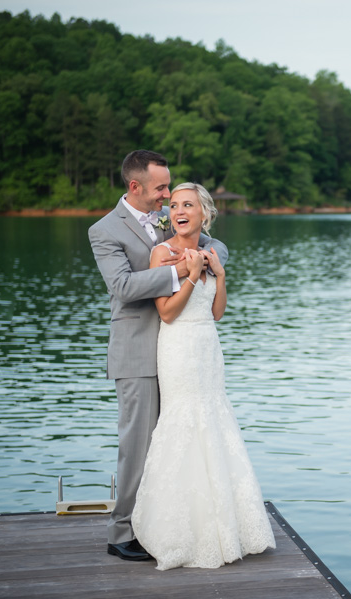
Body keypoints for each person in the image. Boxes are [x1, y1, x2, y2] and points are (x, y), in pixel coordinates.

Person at [88, 150, 228, 561]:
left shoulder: (169, 217)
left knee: (177, 442)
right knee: (138, 445)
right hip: (137, 352)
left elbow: (212, 240)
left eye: (170, 188)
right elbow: (125, 288)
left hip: (181, 352)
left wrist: (209, 259)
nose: (169, 196)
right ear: (136, 187)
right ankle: (121, 534)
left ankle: (167, 524)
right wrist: (183, 271)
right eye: (162, 188)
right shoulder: (105, 230)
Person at [132, 182, 275, 570]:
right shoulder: (161, 253)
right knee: (183, 422)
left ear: (203, 214)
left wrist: (219, 275)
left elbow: (217, 313)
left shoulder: (212, 252)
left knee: (214, 420)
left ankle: (224, 526)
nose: (179, 210)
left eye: (188, 204)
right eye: (174, 204)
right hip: (177, 346)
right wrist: (192, 275)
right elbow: (166, 313)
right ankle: (178, 530)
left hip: (208, 347)